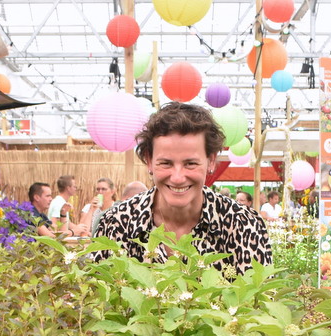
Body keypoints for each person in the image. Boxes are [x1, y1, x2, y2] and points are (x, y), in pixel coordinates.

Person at [93, 102, 272, 273]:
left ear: (210, 161)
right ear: (149, 161)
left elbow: (260, 293)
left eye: (190, 164)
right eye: (166, 163)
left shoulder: (243, 223)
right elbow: (98, 290)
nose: (177, 178)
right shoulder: (116, 223)